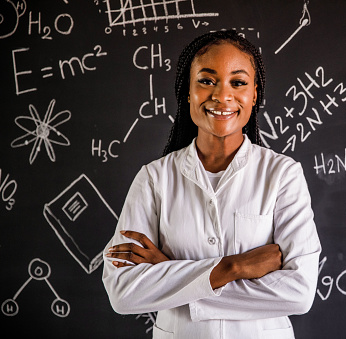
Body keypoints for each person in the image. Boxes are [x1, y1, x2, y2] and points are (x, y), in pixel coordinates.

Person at [102, 30, 321, 339]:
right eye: (206, 81)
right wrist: (233, 268)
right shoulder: (154, 178)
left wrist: (171, 273)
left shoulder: (282, 174)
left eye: (238, 82)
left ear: (254, 94)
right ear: (188, 92)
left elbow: (299, 293)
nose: (222, 96)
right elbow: (123, 292)